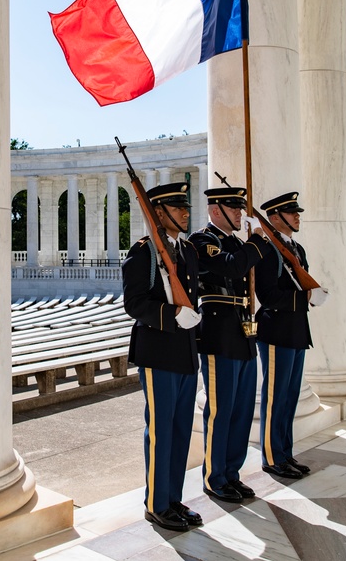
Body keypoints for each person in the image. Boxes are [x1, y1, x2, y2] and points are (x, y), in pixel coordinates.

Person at [122, 182, 203, 532]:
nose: (185, 212)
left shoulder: (186, 251)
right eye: (177, 207)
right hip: (158, 354)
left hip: (185, 352)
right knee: (160, 432)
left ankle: (173, 498)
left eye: (185, 206)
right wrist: (172, 315)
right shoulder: (144, 252)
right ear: (158, 212)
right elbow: (135, 304)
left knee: (181, 430)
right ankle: (156, 504)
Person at [190, 186, 268, 503]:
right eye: (234, 208)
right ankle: (214, 477)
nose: (239, 213)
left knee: (241, 408)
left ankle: (231, 473)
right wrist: (257, 241)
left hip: (243, 329)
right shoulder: (203, 241)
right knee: (221, 409)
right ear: (215, 210)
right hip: (218, 330)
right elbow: (231, 266)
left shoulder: (237, 243)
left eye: (239, 208)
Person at [253, 191, 327, 480]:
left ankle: (285, 453)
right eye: (291, 212)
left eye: (296, 212)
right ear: (274, 218)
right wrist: (305, 297)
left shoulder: (297, 250)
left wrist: (311, 295)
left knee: (290, 397)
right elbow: (268, 295)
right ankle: (272, 457)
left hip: (295, 330)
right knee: (275, 398)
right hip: (275, 330)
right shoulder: (269, 251)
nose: (297, 216)